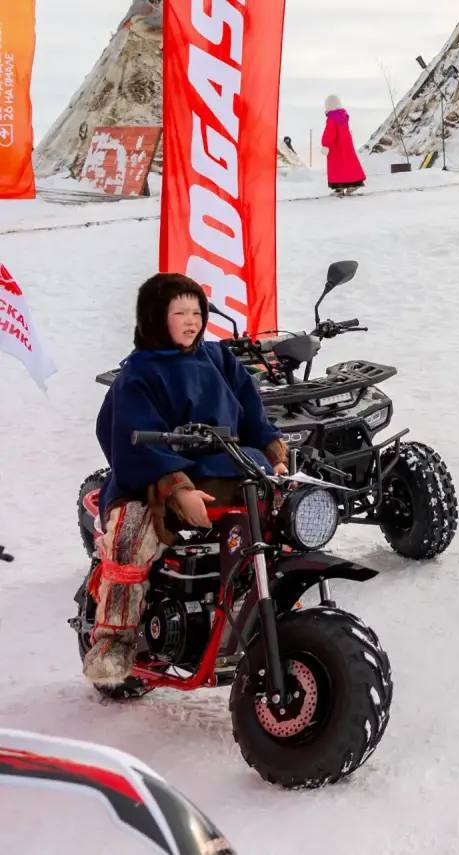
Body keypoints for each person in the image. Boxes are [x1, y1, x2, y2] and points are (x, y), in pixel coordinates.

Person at [84, 274, 288, 688]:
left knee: (280, 519)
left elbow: (249, 405)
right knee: (130, 537)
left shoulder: (217, 358)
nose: (191, 321)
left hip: (227, 466)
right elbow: (132, 440)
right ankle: (114, 641)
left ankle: (272, 607)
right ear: (156, 318)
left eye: (197, 312)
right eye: (180, 313)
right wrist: (177, 489)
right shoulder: (138, 375)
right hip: (154, 476)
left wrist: (272, 450)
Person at [322, 94, 367, 195]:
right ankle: (354, 184)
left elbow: (330, 133)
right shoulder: (343, 116)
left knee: (337, 167)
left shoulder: (332, 118)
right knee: (348, 165)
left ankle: (339, 188)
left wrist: (325, 144)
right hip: (346, 145)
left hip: (335, 147)